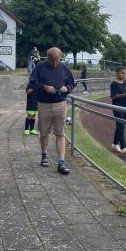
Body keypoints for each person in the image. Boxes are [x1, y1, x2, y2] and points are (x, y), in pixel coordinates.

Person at [27, 47, 75, 175]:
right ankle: (44, 155)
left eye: (57, 60)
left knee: (60, 133)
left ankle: (61, 163)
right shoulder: (40, 67)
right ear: (47, 57)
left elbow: (72, 83)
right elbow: (33, 83)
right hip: (44, 105)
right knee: (44, 133)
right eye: (52, 60)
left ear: (60, 57)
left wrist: (67, 88)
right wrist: (44, 87)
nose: (54, 63)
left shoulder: (64, 67)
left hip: (60, 105)